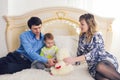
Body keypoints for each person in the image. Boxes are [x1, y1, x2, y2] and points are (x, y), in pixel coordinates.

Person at [64, 13, 120, 80]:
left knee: (100, 66)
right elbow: (79, 55)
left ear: (89, 24)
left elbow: (95, 53)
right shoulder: (81, 37)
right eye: (80, 23)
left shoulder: (97, 35)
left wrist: (74, 59)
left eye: (82, 24)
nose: (79, 26)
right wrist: (68, 62)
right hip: (93, 67)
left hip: (104, 61)